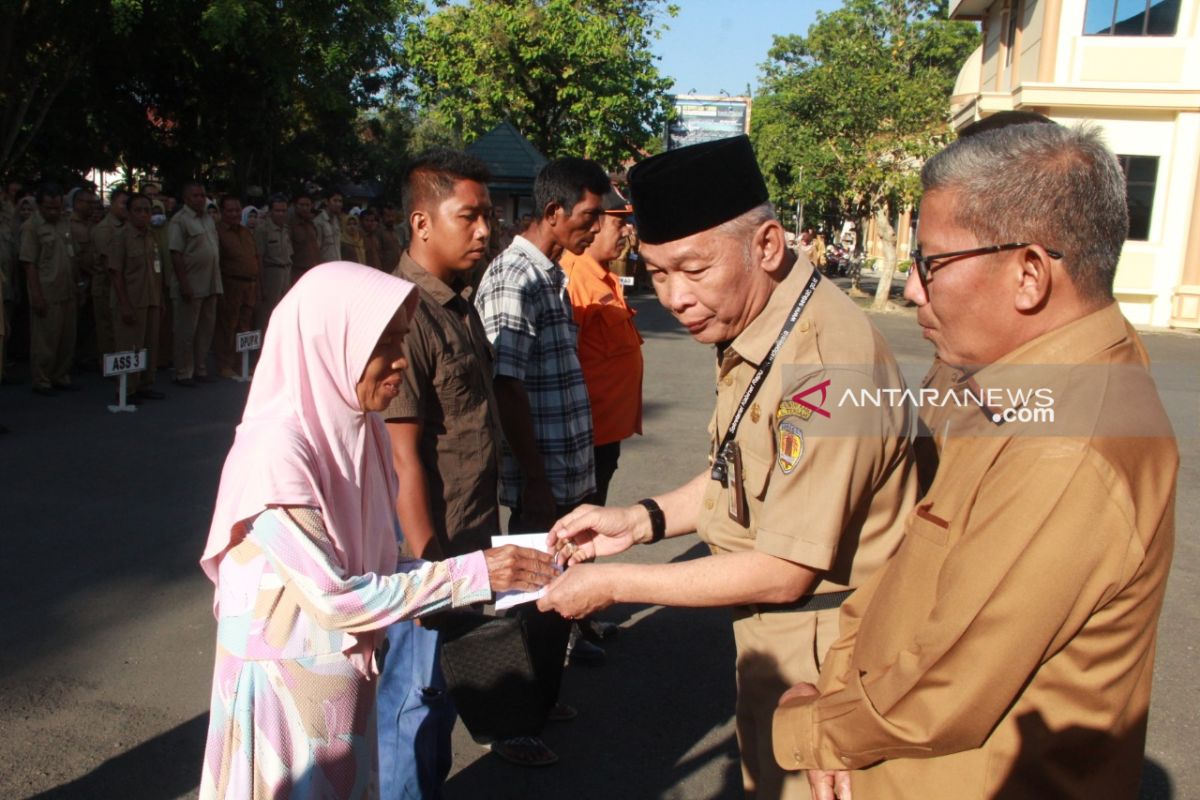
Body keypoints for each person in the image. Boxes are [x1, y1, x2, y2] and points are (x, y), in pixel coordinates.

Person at [770, 122, 1179, 800]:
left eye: (931, 264)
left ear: (1029, 274)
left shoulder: (1065, 449)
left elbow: (949, 684)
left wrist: (811, 727)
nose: (912, 292)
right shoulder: (1021, 384)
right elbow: (911, 569)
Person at [539, 136, 917, 800]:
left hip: (832, 660)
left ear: (767, 246)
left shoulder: (824, 365)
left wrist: (614, 585)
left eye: (693, 268)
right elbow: (738, 472)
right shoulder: (759, 326)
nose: (676, 296)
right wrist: (637, 521)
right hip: (789, 644)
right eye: (657, 273)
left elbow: (783, 569)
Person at [198, 261, 556, 799]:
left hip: (338, 690)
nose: (399, 362)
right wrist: (470, 574)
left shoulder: (352, 430)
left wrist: (494, 570)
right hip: (286, 701)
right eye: (382, 344)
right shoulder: (275, 453)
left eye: (402, 340)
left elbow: (373, 570)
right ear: (328, 343)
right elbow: (336, 596)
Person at [376, 148, 507, 793]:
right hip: (429, 556)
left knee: (442, 696)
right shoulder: (401, 316)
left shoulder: (457, 302)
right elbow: (403, 461)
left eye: (487, 217)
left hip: (468, 541)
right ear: (422, 223)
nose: (485, 231)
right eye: (470, 216)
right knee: (413, 703)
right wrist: (430, 573)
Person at [474, 155, 609, 765]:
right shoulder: (514, 277)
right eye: (589, 215)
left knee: (557, 591)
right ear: (553, 213)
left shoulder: (551, 271)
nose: (597, 225)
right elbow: (507, 385)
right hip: (543, 476)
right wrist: (532, 478)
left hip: (565, 469)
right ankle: (513, 725)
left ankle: (540, 700)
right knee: (530, 597)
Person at [558, 189, 643, 506]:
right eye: (618, 223)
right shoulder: (574, 278)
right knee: (573, 533)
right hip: (583, 441)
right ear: (592, 224)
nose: (627, 231)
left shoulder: (603, 276)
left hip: (604, 435)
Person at [19, 184, 80, 395]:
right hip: (47, 291)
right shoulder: (31, 226)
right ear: (39, 206)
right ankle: (42, 380)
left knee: (66, 338)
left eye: (57, 207)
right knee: (45, 340)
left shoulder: (64, 222)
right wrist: (36, 295)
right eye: (49, 208)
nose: (54, 212)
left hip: (68, 289)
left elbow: (72, 254)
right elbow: (29, 263)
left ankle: (60, 376)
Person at [107, 193, 165, 401]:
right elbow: (115, 272)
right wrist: (124, 305)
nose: (143, 214)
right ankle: (126, 389)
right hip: (131, 300)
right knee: (129, 345)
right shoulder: (120, 237)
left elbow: (157, 271)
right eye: (138, 210)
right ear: (129, 213)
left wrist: (161, 300)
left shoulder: (152, 236)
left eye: (147, 210)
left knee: (150, 345)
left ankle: (144, 384)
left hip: (151, 299)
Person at [168, 181, 223, 386]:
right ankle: (183, 372)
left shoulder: (208, 219)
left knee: (205, 330)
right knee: (186, 331)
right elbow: (176, 254)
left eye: (202, 195)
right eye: (195, 196)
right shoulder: (179, 221)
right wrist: (184, 284)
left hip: (210, 283)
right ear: (186, 198)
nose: (200, 199)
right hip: (191, 283)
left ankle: (200, 368)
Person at [214, 195, 260, 379]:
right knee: (228, 326)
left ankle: (242, 363)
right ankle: (225, 365)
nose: (234, 214)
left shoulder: (245, 232)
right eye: (230, 210)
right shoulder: (218, 232)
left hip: (250, 284)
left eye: (237, 210)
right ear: (222, 212)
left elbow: (255, 258)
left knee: (245, 326)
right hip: (231, 283)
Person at [91, 188, 129, 367]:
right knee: (108, 331)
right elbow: (109, 265)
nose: (126, 208)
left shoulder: (128, 227)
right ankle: (109, 368)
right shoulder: (104, 229)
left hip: (123, 287)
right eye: (123, 203)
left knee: (121, 331)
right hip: (106, 287)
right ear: (112, 203)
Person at [255, 193, 293, 330]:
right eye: (277, 210)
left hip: (286, 272)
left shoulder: (286, 229)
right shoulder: (262, 230)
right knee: (267, 313)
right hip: (271, 273)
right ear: (271, 211)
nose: (281, 214)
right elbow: (258, 258)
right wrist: (261, 285)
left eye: (284, 211)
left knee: (284, 311)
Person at [290, 191, 321, 284]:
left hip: (312, 271)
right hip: (297, 272)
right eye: (302, 205)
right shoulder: (290, 225)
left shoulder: (311, 224)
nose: (305, 208)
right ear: (295, 205)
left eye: (308, 205)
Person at [315, 191, 344, 263]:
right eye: (335, 201)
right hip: (324, 266)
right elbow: (316, 249)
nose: (338, 204)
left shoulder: (337, 220)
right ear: (326, 202)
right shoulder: (319, 222)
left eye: (340, 201)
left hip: (337, 264)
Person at [377, 203, 402, 273]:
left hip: (397, 268)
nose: (391, 219)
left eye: (393, 216)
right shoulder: (378, 232)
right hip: (385, 271)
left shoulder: (396, 230)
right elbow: (378, 253)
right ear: (381, 217)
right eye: (388, 216)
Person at [359, 206, 384, 271]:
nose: (370, 223)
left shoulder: (375, 237)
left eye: (372, 221)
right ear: (361, 221)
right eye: (367, 220)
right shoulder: (358, 238)